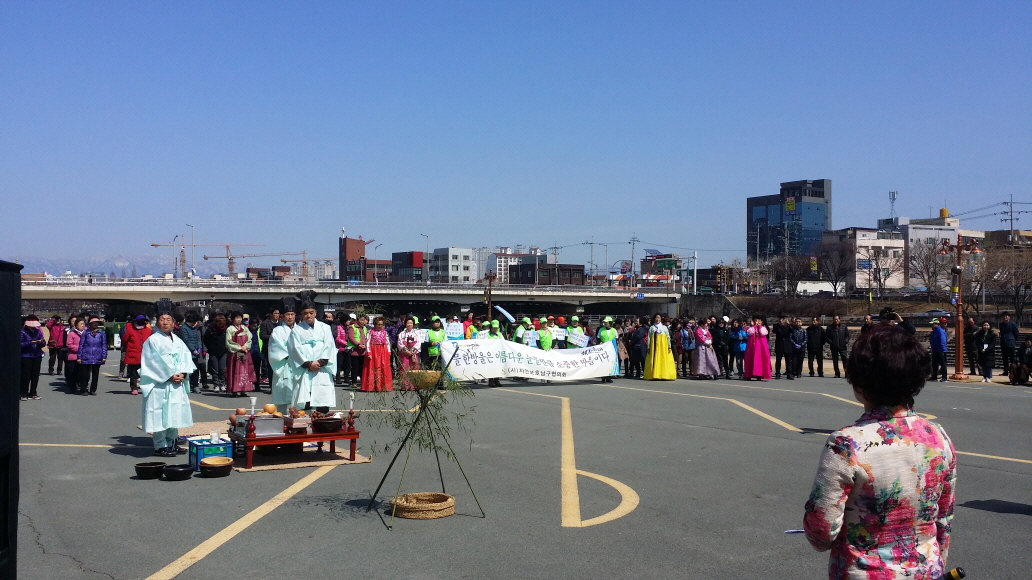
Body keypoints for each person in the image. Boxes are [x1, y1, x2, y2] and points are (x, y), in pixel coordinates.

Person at [803, 324, 955, 580]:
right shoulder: (938, 436)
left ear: (860, 383)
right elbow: (944, 517)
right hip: (926, 570)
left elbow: (821, 532)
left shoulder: (846, 444)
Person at [140, 313, 196, 458]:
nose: (165, 322)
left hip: (176, 382)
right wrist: (169, 375)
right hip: (159, 383)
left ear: (173, 323)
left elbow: (185, 357)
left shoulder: (177, 340)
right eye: (162, 319)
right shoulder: (152, 340)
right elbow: (151, 362)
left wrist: (183, 373)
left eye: (168, 320)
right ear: (157, 323)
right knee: (158, 414)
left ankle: (172, 442)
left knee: (174, 412)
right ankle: (160, 446)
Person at [288, 302, 336, 413]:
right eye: (305, 313)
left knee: (322, 397)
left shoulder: (325, 328)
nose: (308, 315)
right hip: (305, 369)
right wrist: (308, 364)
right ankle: (306, 420)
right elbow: (294, 349)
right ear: (301, 314)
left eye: (311, 313)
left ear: (315, 313)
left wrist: (320, 362)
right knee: (305, 399)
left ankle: (322, 419)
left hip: (322, 368)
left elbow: (329, 346)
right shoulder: (296, 330)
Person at [268, 305, 298, 413]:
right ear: (283, 316)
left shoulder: (300, 330)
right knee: (282, 396)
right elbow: (275, 349)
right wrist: (292, 355)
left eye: (292, 314)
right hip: (284, 366)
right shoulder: (277, 331)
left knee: (299, 398)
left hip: (299, 366)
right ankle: (282, 418)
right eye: (287, 314)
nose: (290, 317)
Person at [224, 311, 256, 397]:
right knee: (234, 371)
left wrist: (246, 346)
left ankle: (243, 390)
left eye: (240, 318)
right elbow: (228, 342)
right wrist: (239, 348)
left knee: (245, 371)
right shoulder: (230, 329)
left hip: (245, 352)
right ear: (233, 319)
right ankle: (234, 390)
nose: (238, 320)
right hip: (235, 354)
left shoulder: (245, 328)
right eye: (236, 318)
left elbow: (249, 339)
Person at [362, 316, 394, 391]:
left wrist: (389, 352)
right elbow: (367, 342)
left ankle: (383, 386)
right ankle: (372, 386)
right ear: (375, 324)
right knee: (372, 367)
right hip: (373, 350)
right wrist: (368, 352)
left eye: (381, 324)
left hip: (383, 351)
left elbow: (387, 343)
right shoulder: (370, 332)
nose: (380, 326)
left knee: (383, 367)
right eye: (378, 324)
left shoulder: (385, 332)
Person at [123, 314, 153, 395]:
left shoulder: (148, 330)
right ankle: (134, 388)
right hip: (133, 354)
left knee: (145, 373)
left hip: (145, 355)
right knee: (133, 373)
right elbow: (125, 340)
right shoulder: (130, 330)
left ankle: (144, 387)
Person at [77, 317, 107, 396]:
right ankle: (84, 389)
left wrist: (104, 356)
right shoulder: (85, 333)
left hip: (97, 356)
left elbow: (104, 345)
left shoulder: (102, 333)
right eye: (94, 323)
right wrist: (79, 356)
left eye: (97, 323)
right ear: (90, 324)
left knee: (95, 374)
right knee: (85, 374)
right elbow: (81, 345)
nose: (96, 324)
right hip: (86, 355)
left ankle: (93, 389)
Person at [177, 312, 205, 394]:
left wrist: (199, 347)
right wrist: (193, 350)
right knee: (187, 370)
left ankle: (195, 385)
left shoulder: (194, 328)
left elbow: (198, 338)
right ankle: (188, 385)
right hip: (187, 352)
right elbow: (186, 340)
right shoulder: (183, 328)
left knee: (195, 369)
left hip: (196, 352)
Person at [20, 315, 46, 400]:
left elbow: (43, 343)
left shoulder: (38, 331)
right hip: (26, 356)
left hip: (37, 355)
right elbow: (20, 344)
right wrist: (30, 342)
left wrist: (41, 342)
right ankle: (23, 393)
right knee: (25, 375)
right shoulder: (22, 332)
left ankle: (33, 392)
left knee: (35, 375)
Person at [644, 313, 676, 380]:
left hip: (663, 347)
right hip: (654, 348)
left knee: (663, 360)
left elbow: (668, 337)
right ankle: (655, 374)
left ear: (661, 319)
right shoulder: (652, 328)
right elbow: (649, 338)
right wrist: (648, 347)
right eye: (656, 317)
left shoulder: (664, 328)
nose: (657, 319)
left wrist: (669, 346)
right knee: (654, 360)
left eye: (659, 317)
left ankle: (663, 374)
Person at [203, 313, 229, 392]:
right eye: (219, 322)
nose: (221, 324)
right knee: (215, 370)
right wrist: (210, 348)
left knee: (222, 369)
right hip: (213, 352)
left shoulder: (226, 329)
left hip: (223, 351)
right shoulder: (211, 329)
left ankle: (222, 384)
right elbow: (206, 339)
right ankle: (216, 385)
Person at [397, 317, 422, 389]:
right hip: (404, 354)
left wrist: (412, 351)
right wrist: (406, 351)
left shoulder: (417, 333)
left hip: (413, 353)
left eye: (411, 323)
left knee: (414, 367)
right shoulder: (402, 333)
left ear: (413, 324)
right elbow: (399, 343)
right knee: (404, 368)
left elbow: (418, 343)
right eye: (408, 323)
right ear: (405, 324)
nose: (409, 324)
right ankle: (405, 385)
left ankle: (413, 385)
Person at [743, 317, 771, 381]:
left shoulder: (763, 328)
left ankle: (759, 374)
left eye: (758, 321)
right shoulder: (752, 328)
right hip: (752, 346)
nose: (757, 322)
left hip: (761, 346)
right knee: (750, 359)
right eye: (755, 321)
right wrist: (754, 326)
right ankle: (749, 374)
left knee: (760, 359)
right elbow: (750, 332)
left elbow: (764, 333)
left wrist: (759, 327)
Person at [258, 308, 280, 383]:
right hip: (269, 349)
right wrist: (273, 336)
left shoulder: (281, 323)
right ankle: (271, 384)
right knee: (270, 368)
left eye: (278, 313)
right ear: (271, 314)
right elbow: (262, 336)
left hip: (280, 349)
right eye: (275, 313)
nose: (277, 315)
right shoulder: (265, 323)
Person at [347, 315, 369, 386]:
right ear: (357, 320)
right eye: (361, 320)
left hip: (363, 350)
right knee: (355, 367)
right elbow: (351, 338)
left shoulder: (365, 328)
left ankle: (363, 382)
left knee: (362, 367)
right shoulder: (352, 327)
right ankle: (354, 382)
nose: (362, 322)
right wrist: (358, 344)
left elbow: (366, 338)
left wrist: (365, 345)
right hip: (355, 350)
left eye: (364, 320)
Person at [64, 317, 84, 391]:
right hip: (73, 356)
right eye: (81, 324)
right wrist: (80, 349)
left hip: (83, 357)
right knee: (72, 373)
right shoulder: (71, 334)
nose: (82, 325)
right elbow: (69, 345)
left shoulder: (86, 333)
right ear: (76, 325)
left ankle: (82, 386)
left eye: (83, 324)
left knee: (82, 373)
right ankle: (72, 386)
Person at [597, 316, 618, 383]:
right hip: (603, 349)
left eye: (607, 322)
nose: (605, 323)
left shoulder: (614, 330)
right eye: (604, 322)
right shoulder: (601, 329)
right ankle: (603, 377)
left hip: (611, 349)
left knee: (610, 363)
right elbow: (598, 338)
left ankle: (608, 377)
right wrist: (600, 342)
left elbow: (616, 339)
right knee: (603, 363)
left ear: (610, 323)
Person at [929, 318, 949, 382]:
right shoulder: (933, 332)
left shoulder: (940, 331)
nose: (931, 326)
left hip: (941, 350)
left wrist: (942, 350)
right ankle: (934, 376)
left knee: (943, 364)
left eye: (933, 324)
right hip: (935, 350)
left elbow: (942, 341)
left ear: (936, 324)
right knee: (934, 365)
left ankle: (944, 377)